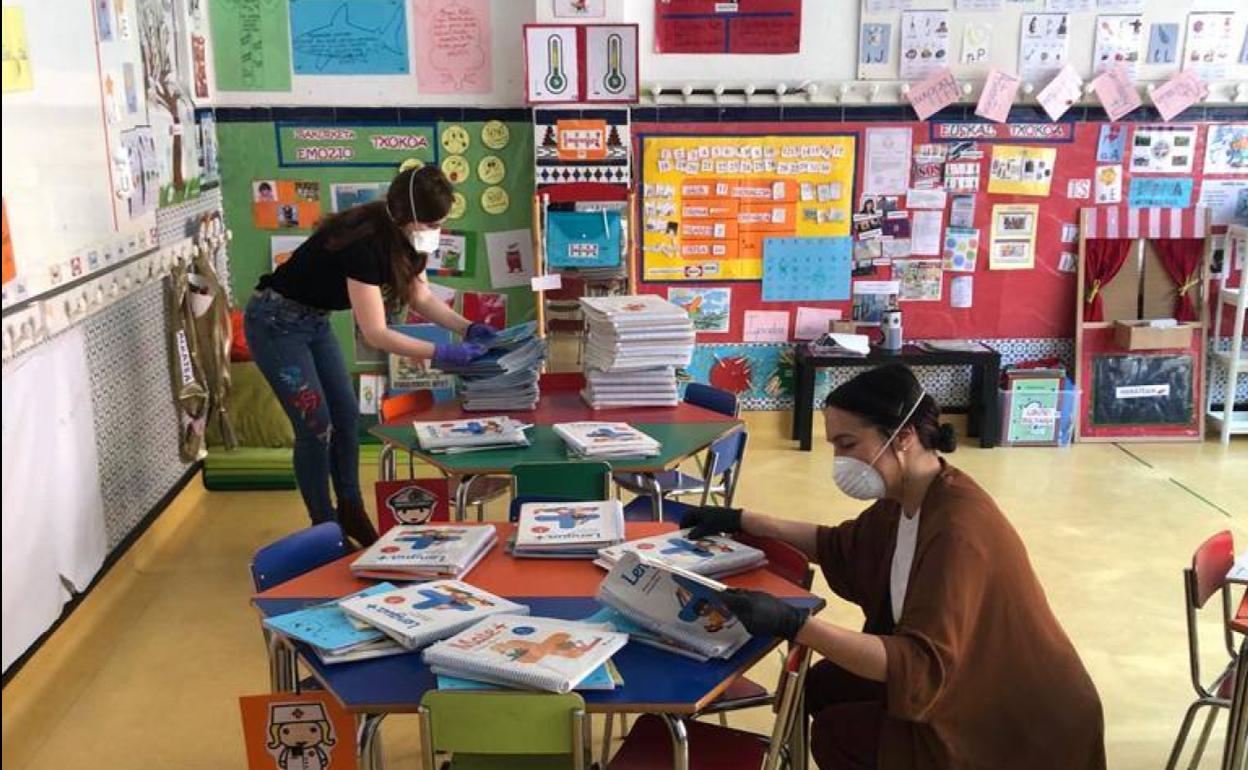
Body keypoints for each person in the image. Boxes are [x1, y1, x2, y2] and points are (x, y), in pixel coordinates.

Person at [682, 364, 1105, 770]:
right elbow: (841, 545)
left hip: (1004, 718)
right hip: (958, 678)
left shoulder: (957, 530)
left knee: (839, 735)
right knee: (822, 684)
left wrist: (795, 625)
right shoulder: (908, 495)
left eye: (847, 445)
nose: (839, 462)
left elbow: (921, 665)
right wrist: (743, 520)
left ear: (902, 438)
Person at [244, 166, 496, 546]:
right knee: (316, 427)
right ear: (406, 216)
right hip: (275, 322)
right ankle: (324, 528)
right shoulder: (361, 242)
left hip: (313, 321)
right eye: (430, 222)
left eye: (440, 222)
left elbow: (421, 297)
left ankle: (351, 510)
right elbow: (376, 334)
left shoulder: (404, 237)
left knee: (345, 417)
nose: (435, 229)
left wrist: (467, 327)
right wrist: (442, 353)